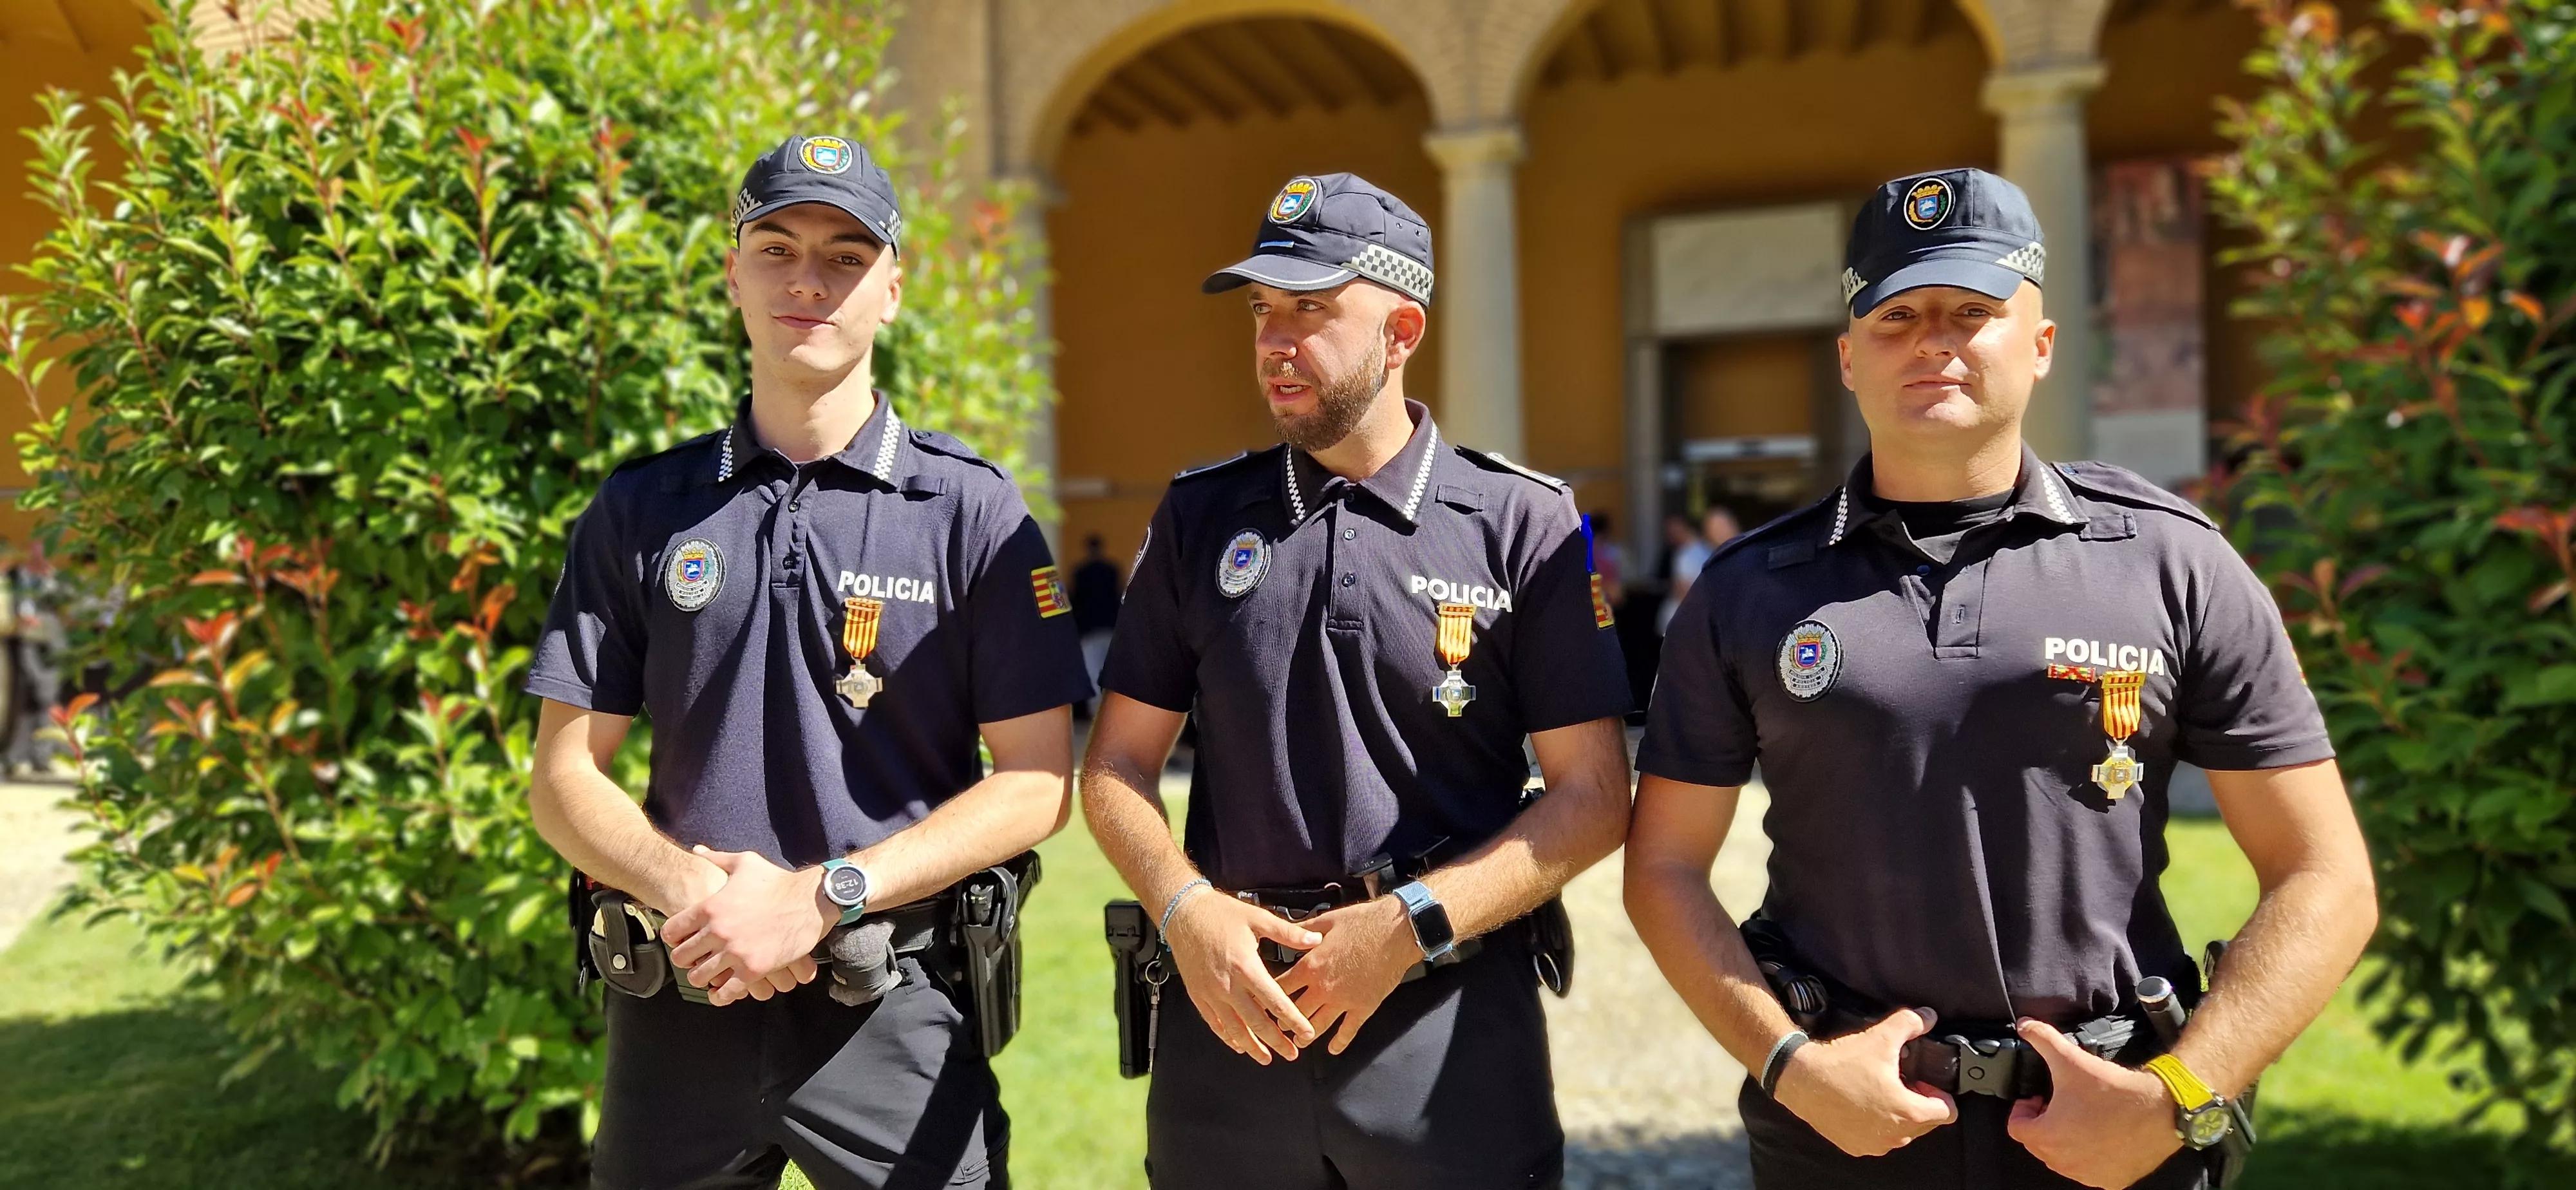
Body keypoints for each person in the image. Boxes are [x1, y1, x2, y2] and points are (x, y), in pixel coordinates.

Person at [1622, 167, 2378, 1190]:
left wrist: (2181, 1095)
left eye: (1973, 311)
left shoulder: (2174, 563)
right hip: (1842, 1136)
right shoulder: (1748, 589)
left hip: (2114, 1130)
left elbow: (2325, 875)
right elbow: (1663, 866)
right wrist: (1790, 1066)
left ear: (2042, 344)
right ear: (1849, 358)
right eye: (1896, 317)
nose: (1934, 340)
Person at [524, 133, 1094, 1189]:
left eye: (845, 255)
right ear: (732, 272)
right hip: (677, 1001)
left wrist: (824, 893)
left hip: (892, 1001)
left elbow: (1032, 782)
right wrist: (694, 888)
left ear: (892, 288)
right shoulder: (643, 508)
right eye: (778, 248)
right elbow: (562, 776)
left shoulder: (971, 509)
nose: (808, 280)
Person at [1081, 173, 1634, 1188]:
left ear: (1402, 328)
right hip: (1230, 1024)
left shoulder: (1523, 523)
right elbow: (1114, 766)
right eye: (1262, 310)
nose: (1274, 341)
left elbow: (1597, 798)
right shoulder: (1202, 517)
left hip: (1446, 1029)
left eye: (1312, 309)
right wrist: (1185, 910)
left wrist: (1408, 924)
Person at [1070, 533, 1123, 714]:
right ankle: (1112, 713)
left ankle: (1096, 713)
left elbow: (1075, 602)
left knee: (1092, 672)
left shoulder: (1080, 572)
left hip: (1089, 628)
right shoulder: (1112, 570)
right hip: (1110, 626)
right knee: (1111, 672)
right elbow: (1119, 598)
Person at [1657, 511, 1711, 635]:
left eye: (1673, 530)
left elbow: (1683, 591)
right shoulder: (1707, 550)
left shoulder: (1686, 555)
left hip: (1684, 623)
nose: (1671, 535)